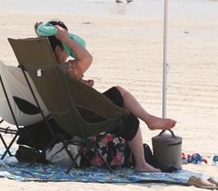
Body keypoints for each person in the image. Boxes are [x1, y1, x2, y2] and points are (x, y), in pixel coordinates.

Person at [35, 20, 175, 172]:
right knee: (120, 97)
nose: (69, 54)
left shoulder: (39, 69)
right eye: (66, 49)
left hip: (60, 118)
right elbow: (87, 58)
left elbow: (62, 93)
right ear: (57, 49)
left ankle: (149, 125)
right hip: (79, 119)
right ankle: (146, 139)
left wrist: (81, 86)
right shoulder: (64, 68)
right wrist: (66, 38)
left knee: (122, 107)